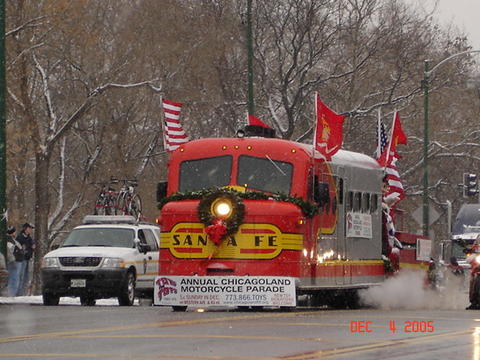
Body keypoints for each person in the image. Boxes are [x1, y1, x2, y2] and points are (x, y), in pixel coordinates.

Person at [16, 222, 35, 296]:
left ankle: (23, 293)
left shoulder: (29, 238)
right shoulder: (20, 237)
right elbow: (19, 248)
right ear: (25, 229)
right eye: (29, 228)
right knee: (21, 275)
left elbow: (31, 246)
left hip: (28, 258)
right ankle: (19, 293)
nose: (30, 230)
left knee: (27, 277)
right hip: (21, 259)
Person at [5, 226, 24, 296]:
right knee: (14, 278)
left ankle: (12, 293)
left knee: (14, 278)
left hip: (15, 260)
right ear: (12, 232)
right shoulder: (9, 240)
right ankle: (11, 294)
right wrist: (13, 259)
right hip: (14, 261)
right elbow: (10, 251)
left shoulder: (11, 240)